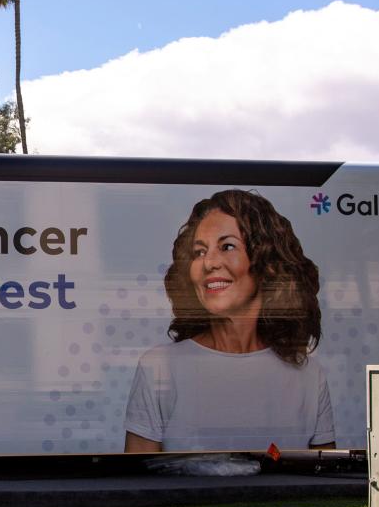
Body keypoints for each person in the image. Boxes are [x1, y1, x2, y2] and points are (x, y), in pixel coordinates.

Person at [124, 189, 334, 453]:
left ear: (265, 260)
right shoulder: (159, 368)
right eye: (199, 252)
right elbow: (138, 482)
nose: (209, 263)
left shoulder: (309, 376)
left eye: (227, 246)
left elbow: (324, 481)